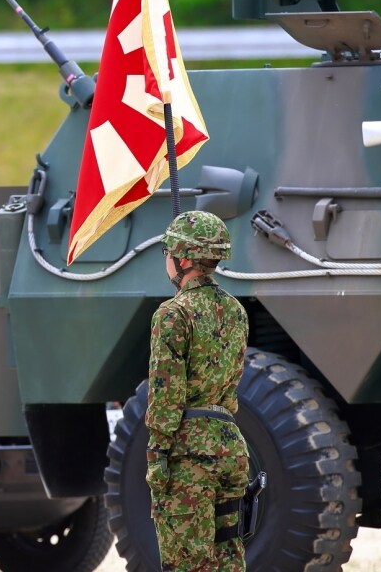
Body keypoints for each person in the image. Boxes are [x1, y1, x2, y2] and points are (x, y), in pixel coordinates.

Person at [145, 211, 250, 572]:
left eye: (167, 253)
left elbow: (166, 392)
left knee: (187, 561)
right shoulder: (236, 311)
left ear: (184, 258)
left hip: (190, 454)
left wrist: (157, 453)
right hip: (229, 447)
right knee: (228, 558)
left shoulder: (173, 314)